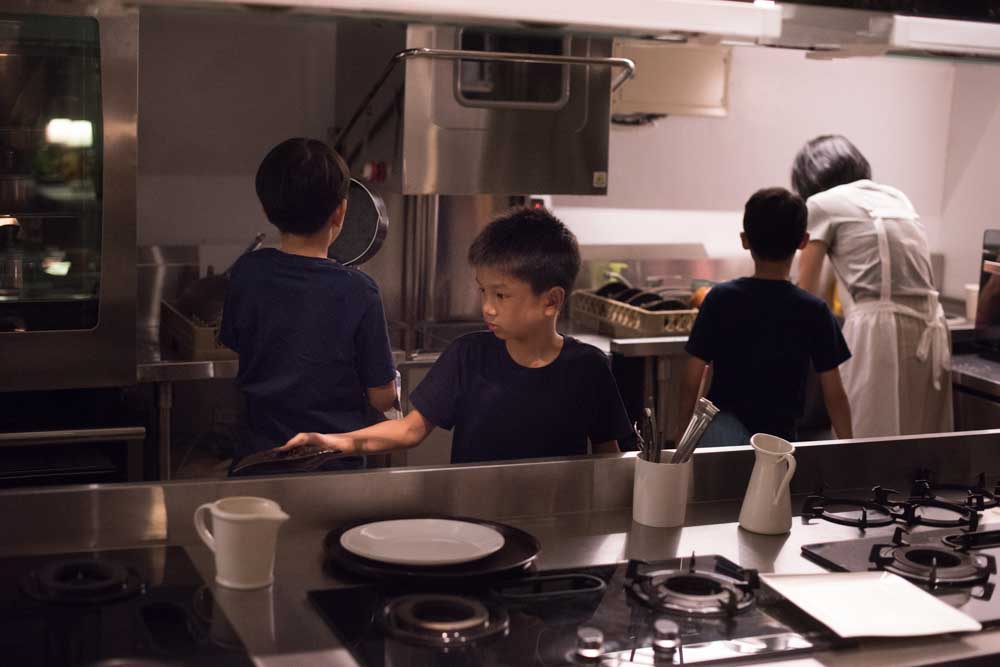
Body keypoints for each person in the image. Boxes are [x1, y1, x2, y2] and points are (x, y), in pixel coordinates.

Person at [278, 207, 634, 463]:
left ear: (551, 301)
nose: (487, 307)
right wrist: (333, 441)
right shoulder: (468, 356)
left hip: (558, 519)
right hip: (474, 522)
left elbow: (607, 457)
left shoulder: (588, 367)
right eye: (483, 291)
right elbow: (409, 430)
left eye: (501, 295)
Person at [219, 138, 397, 472]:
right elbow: (382, 398)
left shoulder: (247, 272)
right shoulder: (360, 290)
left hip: (258, 462)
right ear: (341, 211)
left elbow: (237, 346)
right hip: (333, 468)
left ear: (266, 209)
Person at [792, 134, 952, 437]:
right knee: (920, 439)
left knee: (865, 436)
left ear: (808, 178)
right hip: (931, 325)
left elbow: (806, 293)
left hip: (878, 330)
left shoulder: (820, 204)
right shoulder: (895, 197)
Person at [676, 187, 853, 446]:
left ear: (745, 240)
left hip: (721, 430)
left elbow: (691, 377)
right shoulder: (814, 310)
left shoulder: (720, 298)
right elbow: (834, 393)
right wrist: (850, 448)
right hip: (778, 439)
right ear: (803, 241)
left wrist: (682, 441)